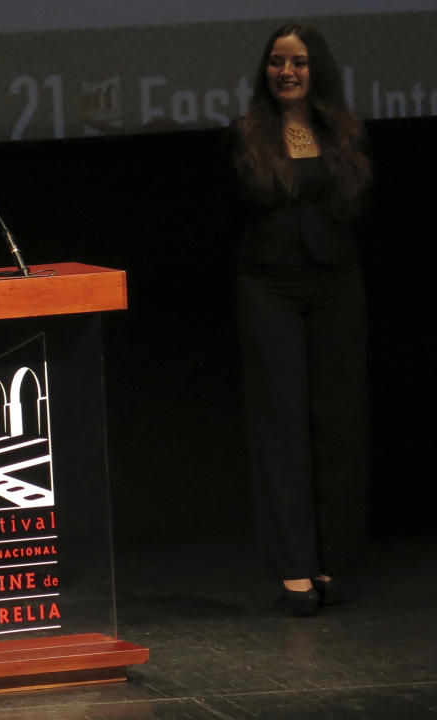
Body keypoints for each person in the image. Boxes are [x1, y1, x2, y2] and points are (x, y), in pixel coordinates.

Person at [231, 24, 372, 616]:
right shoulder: (245, 133)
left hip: (335, 284)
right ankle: (292, 567)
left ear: (318, 71)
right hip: (269, 288)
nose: (286, 72)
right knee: (282, 428)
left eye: (299, 62)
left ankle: (332, 559)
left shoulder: (341, 129)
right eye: (276, 62)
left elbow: (352, 203)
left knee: (337, 424)